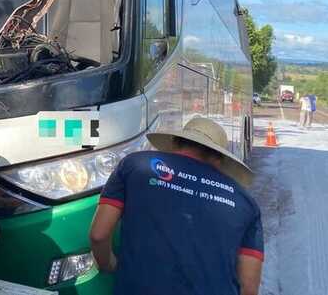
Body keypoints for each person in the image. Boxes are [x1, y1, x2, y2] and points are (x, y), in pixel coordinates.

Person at [89, 116, 264, 295]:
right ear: (219, 159)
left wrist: (109, 264)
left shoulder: (135, 165)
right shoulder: (246, 203)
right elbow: (249, 287)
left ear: (174, 143)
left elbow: (98, 234)